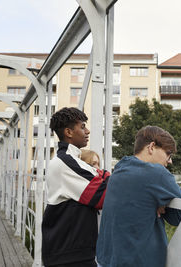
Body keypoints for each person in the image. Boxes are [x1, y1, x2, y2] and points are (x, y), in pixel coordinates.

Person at [96, 125, 181, 267]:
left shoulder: (119, 171)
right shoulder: (157, 173)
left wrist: (156, 203)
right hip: (138, 261)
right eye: (168, 153)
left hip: (107, 259)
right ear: (151, 147)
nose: (170, 161)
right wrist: (163, 205)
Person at [42, 107, 110, 267]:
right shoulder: (65, 162)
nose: (87, 131)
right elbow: (102, 195)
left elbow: (103, 176)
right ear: (69, 132)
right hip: (69, 254)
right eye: (82, 126)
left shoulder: (71, 160)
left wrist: (103, 176)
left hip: (69, 251)